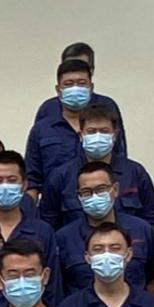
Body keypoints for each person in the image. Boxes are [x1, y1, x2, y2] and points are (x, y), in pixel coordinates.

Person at [51, 158, 154, 297]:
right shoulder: (64, 237)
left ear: (115, 190)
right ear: (79, 196)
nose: (94, 196)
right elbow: (58, 286)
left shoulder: (141, 229)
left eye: (101, 189)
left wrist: (140, 306)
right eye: (86, 192)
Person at [40, 105, 154, 230]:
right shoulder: (60, 176)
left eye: (104, 131)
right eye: (91, 131)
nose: (98, 137)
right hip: (77, 241)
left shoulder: (135, 173)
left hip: (127, 241)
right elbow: (48, 223)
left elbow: (150, 218)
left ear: (115, 135)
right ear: (81, 135)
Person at [25, 54, 118, 203]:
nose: (75, 89)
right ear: (58, 89)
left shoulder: (106, 119)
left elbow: (120, 161)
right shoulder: (42, 129)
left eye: (81, 83)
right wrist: (28, 210)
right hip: (57, 206)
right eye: (68, 84)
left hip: (101, 202)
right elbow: (32, 178)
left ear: (91, 88)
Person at [31, 42, 127, 141]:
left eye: (82, 65)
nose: (76, 68)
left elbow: (119, 146)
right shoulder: (48, 108)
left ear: (92, 70)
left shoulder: (107, 105)